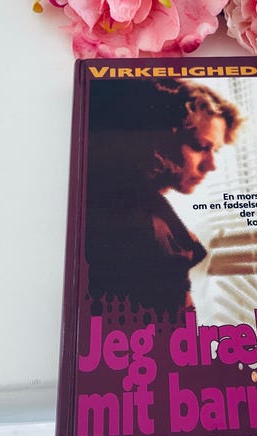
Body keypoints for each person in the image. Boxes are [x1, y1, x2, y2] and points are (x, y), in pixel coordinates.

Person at [85, 78, 241, 322]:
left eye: (216, 150)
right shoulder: (148, 231)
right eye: (200, 146)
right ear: (162, 139)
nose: (212, 165)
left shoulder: (121, 202)